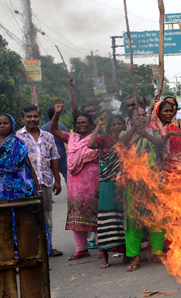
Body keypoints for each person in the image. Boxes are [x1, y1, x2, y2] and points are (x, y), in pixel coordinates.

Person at [50, 98, 100, 260]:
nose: (80, 125)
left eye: (84, 122)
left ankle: (102, 248)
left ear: (91, 125)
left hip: (92, 183)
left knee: (97, 216)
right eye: (78, 123)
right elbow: (53, 129)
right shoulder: (71, 138)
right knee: (76, 216)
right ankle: (81, 249)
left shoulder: (97, 138)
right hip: (75, 186)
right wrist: (57, 113)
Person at [119, 106, 165, 271]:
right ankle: (135, 257)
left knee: (157, 218)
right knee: (133, 221)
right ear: (130, 119)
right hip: (133, 183)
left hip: (153, 181)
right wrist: (134, 130)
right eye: (137, 116)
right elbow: (121, 143)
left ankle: (157, 252)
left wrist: (144, 133)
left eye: (143, 115)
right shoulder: (125, 134)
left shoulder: (152, 133)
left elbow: (160, 145)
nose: (141, 117)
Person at [17, 105, 63, 257]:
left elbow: (54, 159)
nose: (32, 119)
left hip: (46, 182)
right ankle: (32, 249)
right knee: (28, 217)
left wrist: (57, 180)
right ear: (22, 119)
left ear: (39, 118)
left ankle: (47, 247)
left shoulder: (48, 136)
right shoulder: (17, 137)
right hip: (26, 186)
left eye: (35, 116)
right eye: (29, 116)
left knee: (47, 216)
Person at [87, 113, 126, 268]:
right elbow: (90, 145)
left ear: (124, 126)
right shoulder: (104, 139)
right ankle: (104, 255)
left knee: (122, 219)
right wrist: (98, 125)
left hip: (122, 183)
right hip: (106, 184)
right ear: (109, 126)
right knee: (105, 219)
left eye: (119, 124)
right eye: (114, 124)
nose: (117, 127)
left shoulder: (125, 140)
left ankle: (125, 253)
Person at [0, 113, 37, 199]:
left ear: (12, 125)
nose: (2, 125)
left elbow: (29, 167)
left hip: (18, 186)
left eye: (5, 123)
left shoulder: (20, 144)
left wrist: (38, 189)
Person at [148, 100, 181, 185]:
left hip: (175, 171)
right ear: (158, 112)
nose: (169, 114)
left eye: (171, 111)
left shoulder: (175, 129)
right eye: (166, 111)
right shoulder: (151, 128)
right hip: (156, 169)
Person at [41, 107, 68, 183]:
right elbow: (65, 142)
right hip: (61, 155)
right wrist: (68, 152)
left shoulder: (43, 128)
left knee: (49, 178)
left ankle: (49, 194)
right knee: (66, 175)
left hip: (49, 157)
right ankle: (71, 193)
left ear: (48, 117)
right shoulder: (62, 127)